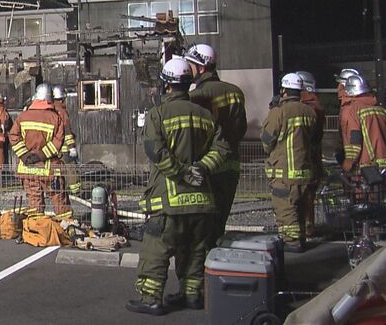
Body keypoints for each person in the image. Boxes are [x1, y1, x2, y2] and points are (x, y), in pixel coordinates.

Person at [127, 58, 228, 316]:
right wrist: (202, 168)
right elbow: (222, 150)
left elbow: (156, 152)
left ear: (165, 84)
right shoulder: (206, 116)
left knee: (155, 251)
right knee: (195, 251)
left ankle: (151, 298)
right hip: (202, 200)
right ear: (188, 83)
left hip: (168, 201)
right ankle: (192, 294)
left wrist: (182, 173)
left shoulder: (157, 115)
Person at [183, 44, 247, 247]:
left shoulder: (196, 97)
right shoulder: (236, 92)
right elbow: (241, 128)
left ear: (201, 68)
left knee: (204, 226)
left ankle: (206, 269)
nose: (187, 68)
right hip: (231, 165)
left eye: (191, 64)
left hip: (207, 167)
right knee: (219, 223)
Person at [262, 73, 319, 253]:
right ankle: (300, 237)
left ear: (284, 90)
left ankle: (292, 241)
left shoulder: (279, 112)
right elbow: (315, 140)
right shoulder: (310, 112)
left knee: (286, 209)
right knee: (300, 209)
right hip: (305, 172)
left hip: (284, 173)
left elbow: (266, 140)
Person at [9, 83, 71, 215]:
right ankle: (65, 229)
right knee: (59, 200)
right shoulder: (55, 118)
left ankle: (37, 231)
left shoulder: (22, 116)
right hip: (49, 170)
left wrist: (25, 155)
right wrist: (41, 156)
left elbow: (13, 136)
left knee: (34, 203)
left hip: (28, 170)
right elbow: (58, 142)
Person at [296, 71, 326, 236]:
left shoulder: (308, 108)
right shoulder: (316, 106)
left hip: (305, 159)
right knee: (308, 196)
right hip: (313, 159)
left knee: (304, 196)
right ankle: (308, 225)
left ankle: (304, 228)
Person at [339, 74, 386, 171]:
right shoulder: (380, 109)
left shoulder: (351, 110)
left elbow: (354, 139)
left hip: (367, 165)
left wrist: (349, 163)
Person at [52, 86, 81, 197]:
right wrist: (71, 146)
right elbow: (67, 130)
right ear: (62, 98)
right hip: (64, 147)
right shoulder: (62, 111)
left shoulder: (50, 110)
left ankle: (58, 189)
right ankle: (76, 192)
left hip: (53, 148)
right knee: (71, 169)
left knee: (57, 170)